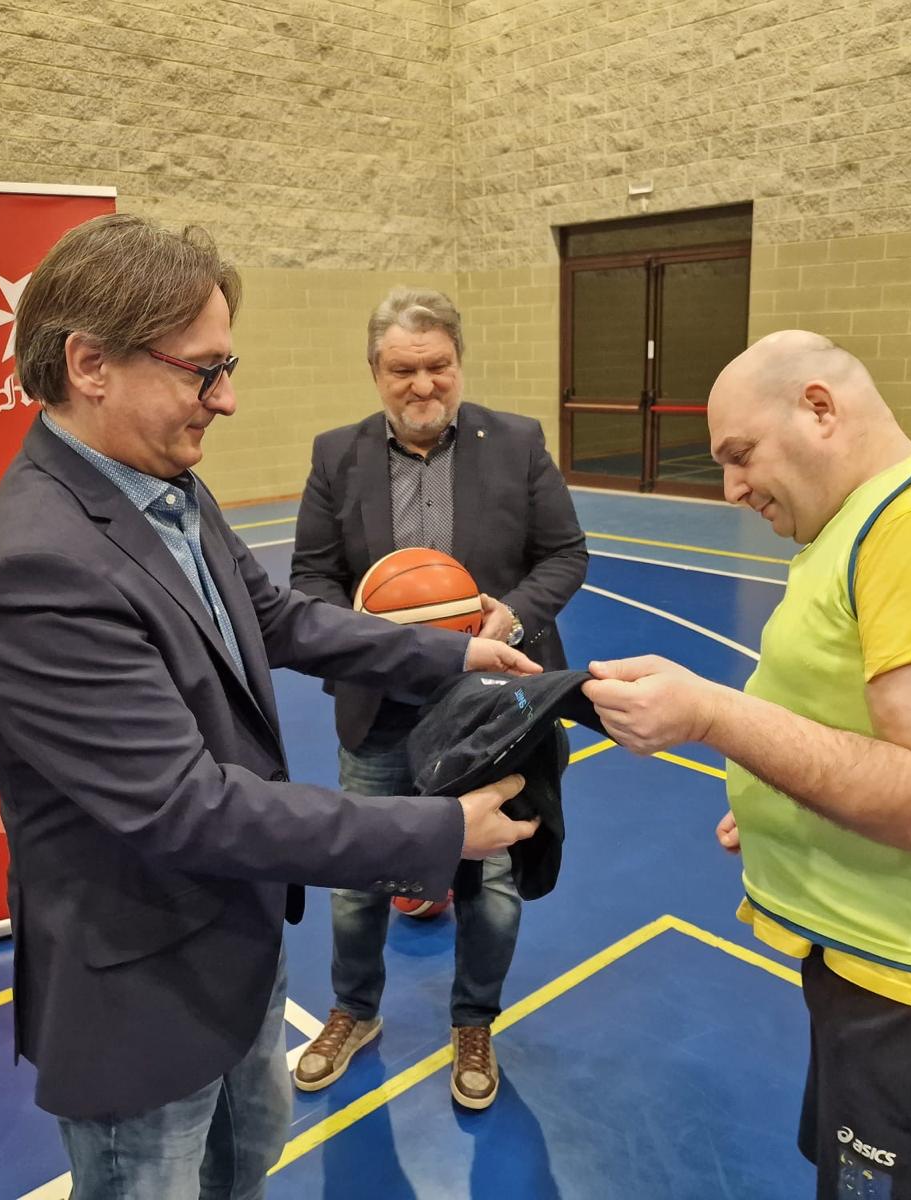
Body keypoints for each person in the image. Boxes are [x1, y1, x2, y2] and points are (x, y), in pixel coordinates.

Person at [0, 214, 543, 1200]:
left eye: (226, 368)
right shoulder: (35, 565)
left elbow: (273, 617)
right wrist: (439, 831)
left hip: (236, 941)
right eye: (202, 371)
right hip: (141, 987)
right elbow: (184, 806)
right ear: (90, 365)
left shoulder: (164, 487)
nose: (226, 399)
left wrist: (450, 650)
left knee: (245, 1169)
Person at [583, 330, 911, 1200]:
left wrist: (713, 715)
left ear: (819, 408)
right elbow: (853, 724)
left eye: (740, 456)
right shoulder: (863, 523)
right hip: (875, 966)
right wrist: (782, 804)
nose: (732, 489)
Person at [290, 286, 587, 1109]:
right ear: (375, 372)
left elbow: (565, 554)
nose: (423, 384)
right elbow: (311, 575)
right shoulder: (337, 455)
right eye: (403, 370)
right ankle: (354, 1010)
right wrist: (363, 634)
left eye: (438, 366)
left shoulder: (517, 443)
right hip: (382, 701)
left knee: (490, 876)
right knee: (358, 872)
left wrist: (511, 615)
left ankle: (474, 1021)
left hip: (492, 707)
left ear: (459, 363)